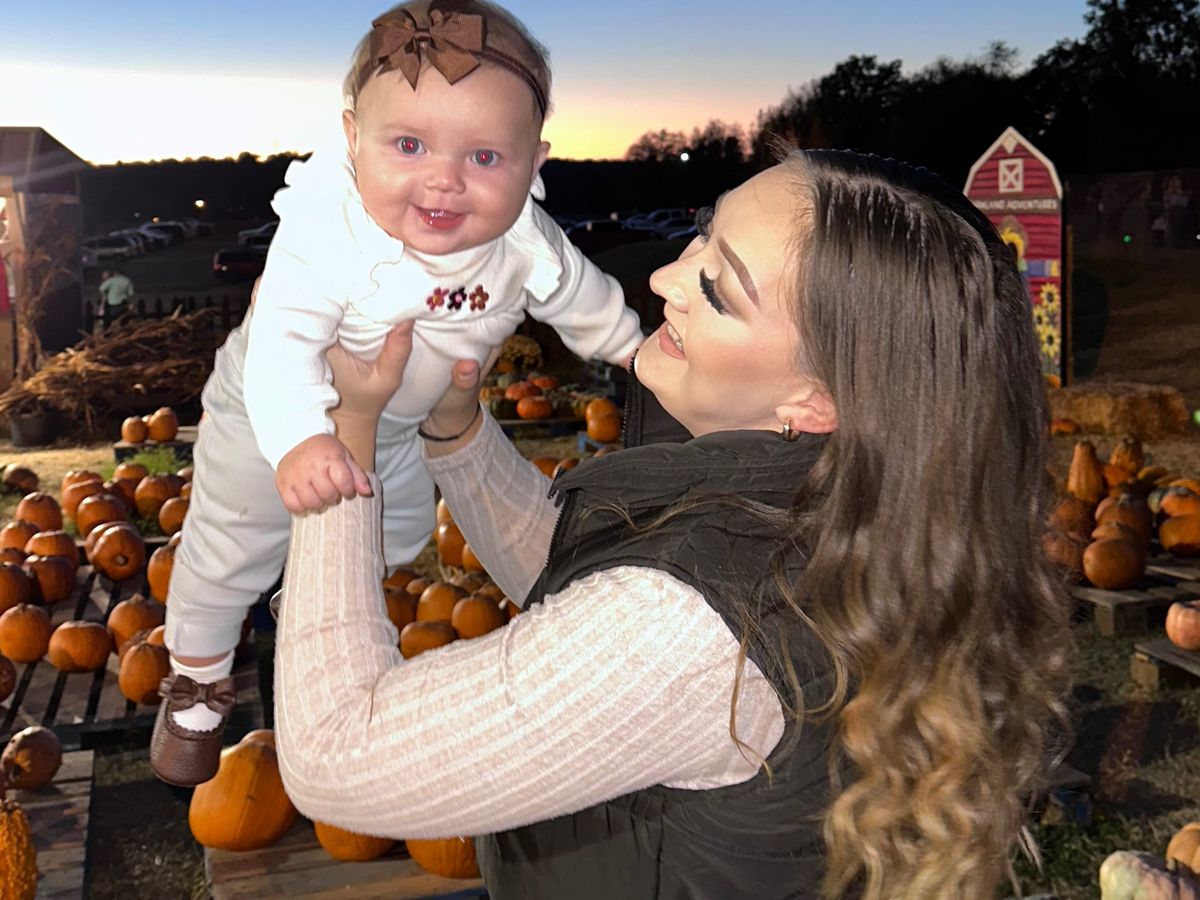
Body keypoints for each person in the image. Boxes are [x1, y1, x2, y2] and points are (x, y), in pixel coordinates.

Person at [272, 148, 1072, 899]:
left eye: (719, 289)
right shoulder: (853, 511)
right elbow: (593, 593)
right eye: (702, 237)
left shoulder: (695, 629)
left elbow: (335, 753)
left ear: (816, 401)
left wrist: (337, 430)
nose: (664, 278)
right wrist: (456, 430)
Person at [150, 0, 642, 788]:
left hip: (397, 422)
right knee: (230, 545)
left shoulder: (523, 241)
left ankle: (311, 600)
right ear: (353, 139)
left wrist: (631, 349)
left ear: (534, 160)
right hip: (271, 409)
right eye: (408, 145)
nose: (444, 179)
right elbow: (281, 342)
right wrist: (301, 439)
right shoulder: (328, 229)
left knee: (401, 530)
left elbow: (581, 296)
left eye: (486, 156)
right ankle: (197, 680)